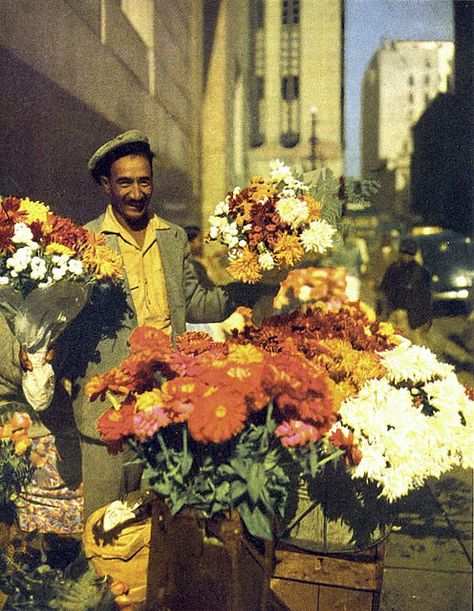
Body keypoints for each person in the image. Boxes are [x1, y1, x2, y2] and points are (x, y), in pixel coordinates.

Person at [64, 130, 280, 519]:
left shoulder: (173, 237)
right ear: (106, 184)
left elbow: (197, 302)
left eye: (144, 181)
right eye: (125, 182)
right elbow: (68, 320)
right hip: (105, 404)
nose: (136, 192)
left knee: (157, 517)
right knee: (102, 521)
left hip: (164, 398)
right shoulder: (86, 241)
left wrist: (250, 282)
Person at [377, 237, 432, 345]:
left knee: (413, 351)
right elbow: (383, 292)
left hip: (412, 319)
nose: (406, 256)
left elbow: (426, 298)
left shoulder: (421, 273)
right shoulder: (393, 269)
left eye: (409, 254)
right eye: (404, 253)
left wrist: (427, 321)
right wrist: (380, 313)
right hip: (393, 315)